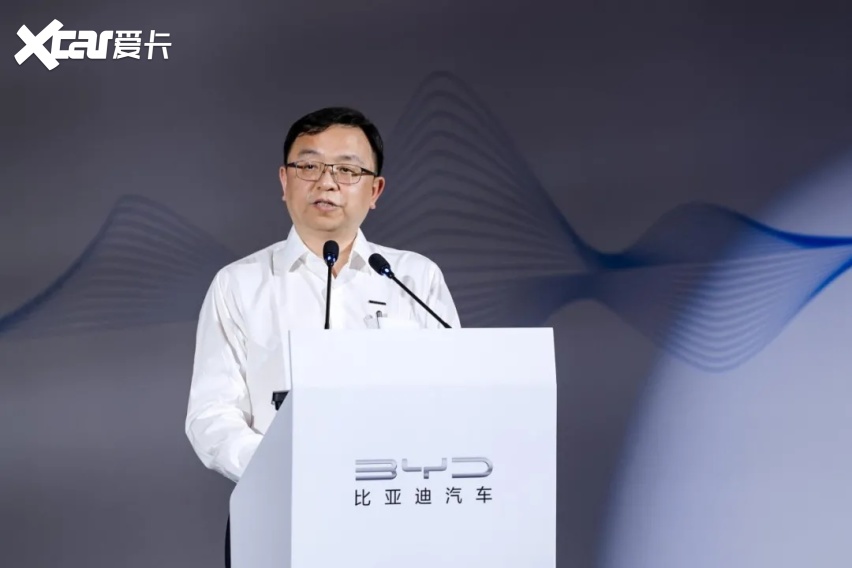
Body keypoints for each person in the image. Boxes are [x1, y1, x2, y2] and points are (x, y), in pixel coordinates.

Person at [183, 107, 460, 566]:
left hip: (397, 507)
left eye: (347, 170)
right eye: (309, 166)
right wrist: (280, 469)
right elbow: (211, 414)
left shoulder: (414, 277)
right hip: (278, 510)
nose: (327, 182)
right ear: (284, 180)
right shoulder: (239, 284)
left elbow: (456, 395)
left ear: (375, 190)